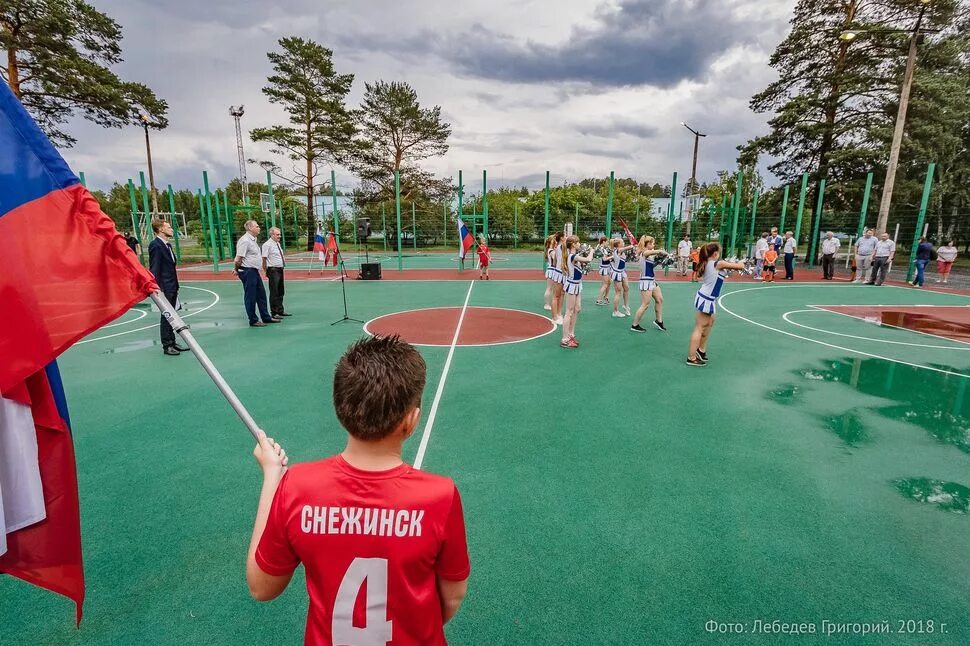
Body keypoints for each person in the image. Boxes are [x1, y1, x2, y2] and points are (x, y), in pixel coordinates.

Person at [247, 335, 470, 645]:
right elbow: (452, 596)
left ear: (341, 409)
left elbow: (262, 587)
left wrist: (273, 476)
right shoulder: (440, 496)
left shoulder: (297, 486)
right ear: (411, 420)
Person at [687, 243, 746, 366]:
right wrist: (742, 262)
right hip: (706, 298)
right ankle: (691, 357)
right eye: (718, 252)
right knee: (699, 328)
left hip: (707, 297)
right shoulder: (718, 264)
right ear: (715, 253)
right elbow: (739, 266)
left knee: (710, 321)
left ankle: (701, 350)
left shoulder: (710, 263)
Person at [148, 220, 187, 356]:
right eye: (168, 227)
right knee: (167, 316)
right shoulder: (156, 245)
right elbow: (155, 268)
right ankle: (167, 345)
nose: (171, 229)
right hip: (165, 287)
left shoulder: (167, 245)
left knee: (173, 314)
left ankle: (172, 341)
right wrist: (158, 288)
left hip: (172, 285)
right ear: (160, 229)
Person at [235, 220, 279, 327]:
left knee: (261, 295)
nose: (259, 228)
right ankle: (253, 320)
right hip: (248, 271)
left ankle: (266, 317)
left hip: (254, 271)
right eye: (257, 226)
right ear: (250, 228)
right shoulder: (245, 241)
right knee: (250, 296)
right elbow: (238, 258)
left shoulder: (253, 240)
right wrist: (236, 269)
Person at [560, 236, 595, 348]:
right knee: (569, 312)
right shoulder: (572, 256)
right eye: (578, 242)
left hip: (578, 285)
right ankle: (565, 339)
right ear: (573, 245)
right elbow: (588, 259)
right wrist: (592, 251)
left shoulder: (576, 255)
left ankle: (571, 334)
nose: (580, 244)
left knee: (577, 309)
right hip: (572, 285)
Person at [630, 235, 667, 333]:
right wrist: (659, 251)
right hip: (646, 281)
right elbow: (646, 252)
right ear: (648, 244)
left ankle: (659, 321)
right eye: (653, 243)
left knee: (659, 299)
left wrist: (661, 259)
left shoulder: (650, 255)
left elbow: (651, 266)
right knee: (645, 304)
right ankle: (635, 325)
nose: (654, 245)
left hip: (652, 280)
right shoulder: (644, 252)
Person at [261, 227, 290, 318]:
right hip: (273, 270)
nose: (279, 236)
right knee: (274, 291)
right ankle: (274, 312)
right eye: (277, 234)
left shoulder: (277, 243)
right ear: (272, 235)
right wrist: (265, 270)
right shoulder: (267, 245)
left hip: (280, 269)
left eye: (279, 234)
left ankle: (280, 310)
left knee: (281, 290)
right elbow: (264, 258)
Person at [609, 237, 634, 318]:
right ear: (618, 244)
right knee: (618, 292)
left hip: (622, 272)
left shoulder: (622, 251)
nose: (624, 243)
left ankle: (626, 306)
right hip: (617, 273)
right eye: (622, 242)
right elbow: (626, 248)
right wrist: (631, 246)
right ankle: (615, 311)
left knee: (626, 288)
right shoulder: (617, 250)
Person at [594, 236, 612, 305]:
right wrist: (613, 256)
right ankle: (599, 300)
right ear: (604, 242)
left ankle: (606, 297)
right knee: (605, 284)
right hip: (604, 268)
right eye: (607, 242)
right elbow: (604, 259)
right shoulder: (601, 249)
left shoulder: (605, 248)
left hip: (608, 267)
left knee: (609, 283)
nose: (608, 243)